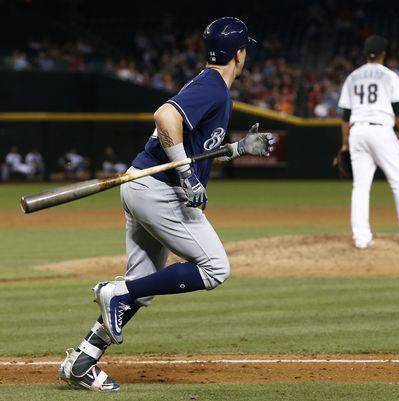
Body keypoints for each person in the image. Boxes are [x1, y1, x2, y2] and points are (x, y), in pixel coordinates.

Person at [58, 17, 275, 392]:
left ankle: (82, 360)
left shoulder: (209, 86)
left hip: (141, 187)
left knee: (143, 286)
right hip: (160, 191)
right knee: (214, 268)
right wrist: (189, 178)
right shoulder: (213, 87)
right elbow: (165, 117)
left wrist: (237, 149)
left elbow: (191, 148)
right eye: (245, 50)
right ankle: (116, 293)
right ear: (239, 54)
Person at [337, 35, 399, 248]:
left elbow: (344, 115)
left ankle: (361, 238)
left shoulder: (352, 77)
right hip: (381, 130)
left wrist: (345, 142)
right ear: (383, 54)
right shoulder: (390, 76)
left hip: (357, 132)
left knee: (360, 186)